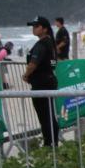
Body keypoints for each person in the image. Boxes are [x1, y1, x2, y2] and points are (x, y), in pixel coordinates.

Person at [23, 16, 60, 147]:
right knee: (49, 114)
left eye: (36, 26)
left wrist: (26, 75)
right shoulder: (51, 42)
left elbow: (33, 64)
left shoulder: (42, 44)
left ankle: (49, 143)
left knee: (44, 116)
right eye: (33, 26)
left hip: (41, 84)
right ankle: (53, 142)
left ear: (44, 29)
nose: (33, 29)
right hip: (50, 80)